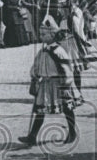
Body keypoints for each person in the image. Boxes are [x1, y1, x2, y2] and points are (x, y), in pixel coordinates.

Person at [18, 16, 82, 146]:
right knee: (40, 110)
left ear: (52, 34)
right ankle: (32, 136)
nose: (41, 36)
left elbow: (67, 69)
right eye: (41, 34)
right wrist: (34, 75)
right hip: (45, 84)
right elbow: (36, 65)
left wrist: (67, 83)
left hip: (60, 84)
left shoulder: (59, 51)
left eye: (44, 34)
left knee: (67, 108)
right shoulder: (42, 51)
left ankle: (72, 132)